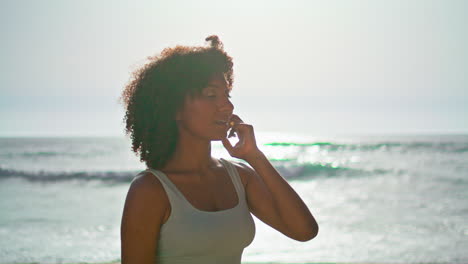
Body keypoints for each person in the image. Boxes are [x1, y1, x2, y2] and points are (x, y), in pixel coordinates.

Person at [120, 35, 319, 264]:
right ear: (173, 108)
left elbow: (304, 231)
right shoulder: (150, 191)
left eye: (227, 95)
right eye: (211, 95)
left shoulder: (240, 177)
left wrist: (255, 156)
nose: (227, 105)